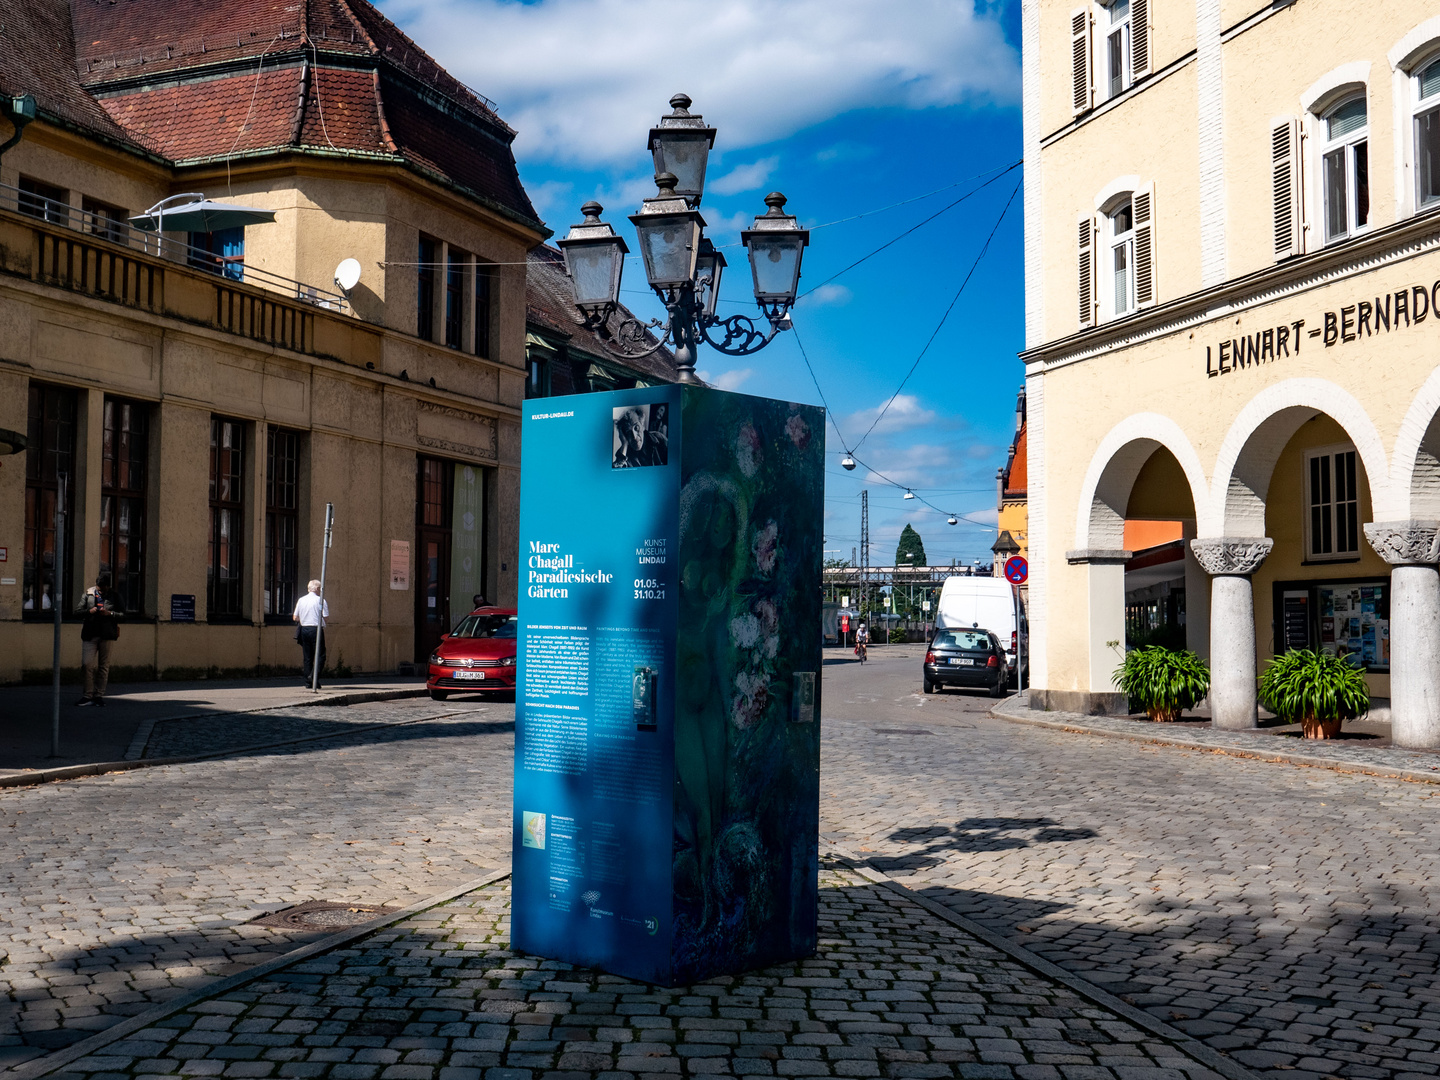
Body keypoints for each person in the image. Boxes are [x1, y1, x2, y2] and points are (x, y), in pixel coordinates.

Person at [77, 573, 120, 706]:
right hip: (90, 634)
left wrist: (110, 613)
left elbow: (124, 615)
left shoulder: (115, 596)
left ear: (108, 587)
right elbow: (77, 612)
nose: (100, 591)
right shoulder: (88, 594)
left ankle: (98, 695)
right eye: (98, 588)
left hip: (107, 635)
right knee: (87, 664)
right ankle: (87, 695)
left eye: (103, 589)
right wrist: (90, 611)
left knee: (103, 667)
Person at [292, 579, 329, 689]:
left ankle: (308, 682)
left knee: (307, 657)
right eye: (320, 588)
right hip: (316, 629)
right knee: (320, 656)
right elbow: (326, 617)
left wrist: (304, 618)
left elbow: (295, 617)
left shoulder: (301, 600)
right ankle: (313, 677)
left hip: (304, 629)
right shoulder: (320, 600)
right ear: (317, 589)